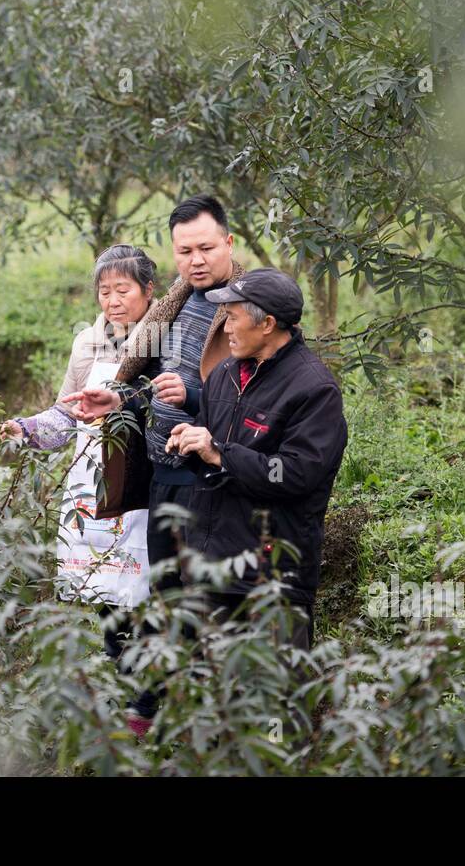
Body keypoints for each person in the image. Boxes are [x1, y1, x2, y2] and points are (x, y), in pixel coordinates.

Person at [62, 194, 245, 732]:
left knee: (208, 590)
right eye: (184, 249)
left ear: (229, 243)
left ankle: (211, 711)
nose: (196, 259)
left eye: (206, 247)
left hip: (212, 471)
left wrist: (192, 391)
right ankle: (156, 701)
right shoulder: (175, 305)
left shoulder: (248, 304)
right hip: (163, 469)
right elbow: (148, 385)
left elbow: (250, 393)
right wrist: (120, 401)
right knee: (164, 588)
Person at [165, 268, 348, 649]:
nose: (225, 328)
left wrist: (220, 453)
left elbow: (295, 473)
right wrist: (191, 444)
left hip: (272, 579)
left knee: (276, 699)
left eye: (232, 318)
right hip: (210, 568)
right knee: (215, 698)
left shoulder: (314, 390)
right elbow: (211, 450)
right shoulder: (223, 375)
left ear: (266, 324)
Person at [0, 244, 157, 658]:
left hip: (148, 485)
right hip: (95, 484)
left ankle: (152, 698)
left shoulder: (166, 341)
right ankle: (123, 687)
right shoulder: (87, 343)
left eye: (123, 290)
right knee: (109, 590)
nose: (112, 301)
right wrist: (27, 429)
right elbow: (67, 414)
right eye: (104, 291)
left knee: (149, 590)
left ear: (148, 290)